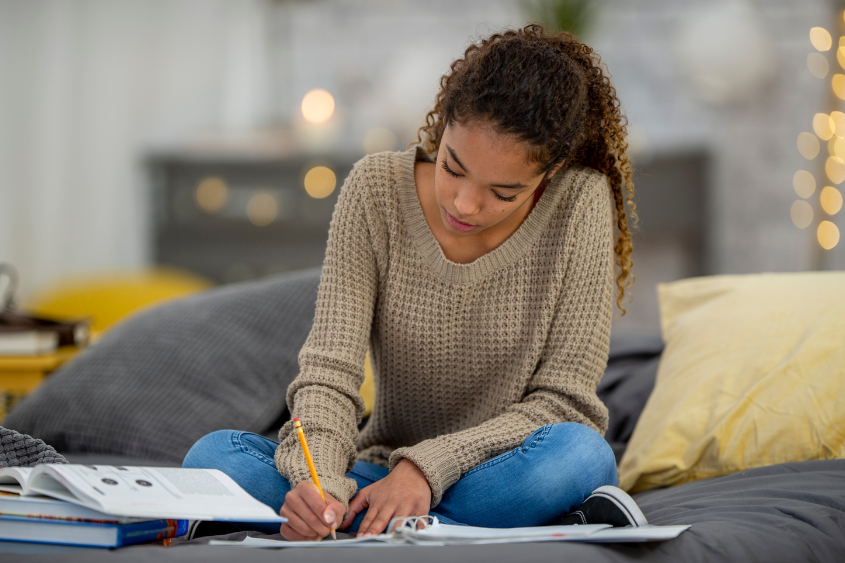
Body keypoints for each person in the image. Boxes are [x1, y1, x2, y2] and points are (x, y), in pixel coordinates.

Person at [183, 23, 645, 540]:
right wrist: (322, 487)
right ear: (442, 122)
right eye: (453, 167)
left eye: (503, 192)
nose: (464, 204)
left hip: (495, 470)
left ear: (551, 170)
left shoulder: (580, 201)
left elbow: (566, 403)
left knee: (581, 456)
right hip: (374, 473)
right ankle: (429, 528)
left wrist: (424, 470)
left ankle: (376, 528)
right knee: (214, 457)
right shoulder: (375, 190)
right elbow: (328, 374)